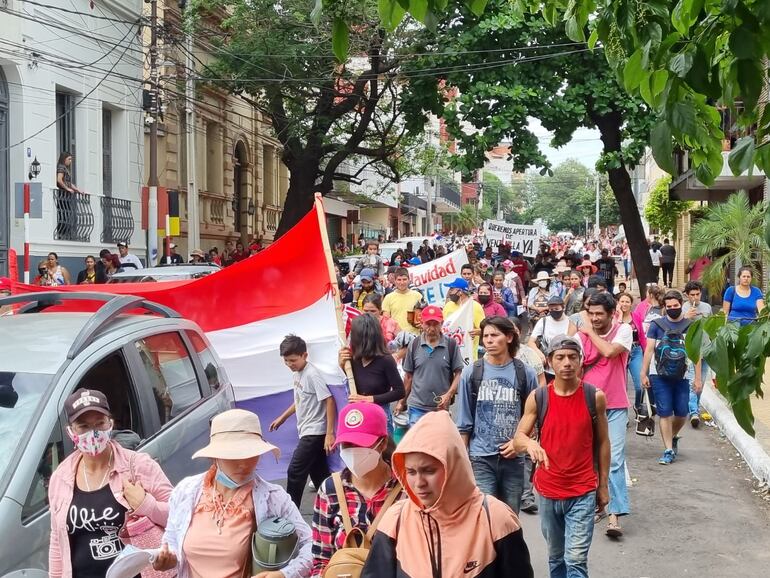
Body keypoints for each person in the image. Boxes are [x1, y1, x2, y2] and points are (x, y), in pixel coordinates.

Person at [361, 411, 535, 578]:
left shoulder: (496, 519)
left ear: (453, 467)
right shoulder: (395, 521)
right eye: (411, 472)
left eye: (429, 471)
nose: (419, 483)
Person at [153, 409, 312, 578]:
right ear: (215, 456)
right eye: (233, 455)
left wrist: (284, 574)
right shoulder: (186, 491)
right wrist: (167, 560)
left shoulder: (273, 497)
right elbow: (171, 540)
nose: (243, 463)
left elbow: (312, 545)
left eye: (251, 454)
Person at [48, 389, 173, 578]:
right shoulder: (61, 477)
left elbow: (179, 516)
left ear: (110, 424)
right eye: (83, 426)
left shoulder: (138, 466)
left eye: (100, 423)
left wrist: (146, 505)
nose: (94, 433)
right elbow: (57, 540)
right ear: (71, 431)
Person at [514, 335, 610, 578]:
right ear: (549, 362)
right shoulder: (539, 397)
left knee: (575, 560)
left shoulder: (594, 396)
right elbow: (518, 439)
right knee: (556, 558)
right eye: (560, 358)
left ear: (581, 361)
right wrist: (529, 445)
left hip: (583, 490)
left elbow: (603, 442)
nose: (567, 363)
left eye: (572, 357)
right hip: (548, 491)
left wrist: (604, 486)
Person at [456, 316, 538, 514]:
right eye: (486, 336)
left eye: (495, 335)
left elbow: (532, 418)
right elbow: (464, 422)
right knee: (485, 517)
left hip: (514, 459)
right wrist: (462, 459)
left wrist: (517, 444)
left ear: (509, 337)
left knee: (509, 520)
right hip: (481, 457)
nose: (489, 340)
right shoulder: (471, 373)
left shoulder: (525, 373)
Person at [311, 403, 404, 577]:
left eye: (361, 444)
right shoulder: (330, 490)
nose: (353, 452)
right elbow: (321, 560)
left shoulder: (406, 490)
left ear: (382, 443)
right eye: (346, 445)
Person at [576, 292, 632, 537]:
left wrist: (588, 332)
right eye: (591, 314)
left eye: (600, 314)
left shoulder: (624, 331)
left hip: (616, 405)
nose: (595, 318)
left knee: (615, 459)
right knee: (588, 458)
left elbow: (610, 352)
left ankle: (614, 515)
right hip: (586, 404)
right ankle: (593, 506)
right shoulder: (578, 337)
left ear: (612, 314)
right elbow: (572, 368)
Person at [271, 335, 338, 506]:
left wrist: (329, 434)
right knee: (320, 476)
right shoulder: (297, 374)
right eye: (286, 361)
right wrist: (283, 417)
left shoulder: (312, 374)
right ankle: (335, 507)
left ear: (304, 356)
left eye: (293, 360)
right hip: (306, 430)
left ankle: (290, 513)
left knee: (295, 471)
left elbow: (329, 400)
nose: (289, 364)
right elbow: (300, 399)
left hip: (314, 432)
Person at [641, 290, 703, 465]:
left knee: (682, 413)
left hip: (682, 375)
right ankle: (668, 449)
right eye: (669, 307)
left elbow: (696, 353)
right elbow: (649, 349)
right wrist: (643, 373)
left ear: (680, 305)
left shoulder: (691, 325)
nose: (673, 309)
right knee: (665, 412)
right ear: (664, 307)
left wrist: (698, 378)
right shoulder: (656, 325)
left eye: (675, 306)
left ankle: (673, 436)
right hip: (658, 375)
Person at [395, 305, 464, 427]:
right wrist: (401, 401)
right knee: (416, 443)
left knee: (438, 442)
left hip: (440, 408)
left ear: (441, 323)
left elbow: (458, 373)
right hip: (417, 406)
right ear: (421, 323)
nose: (431, 328)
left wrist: (448, 394)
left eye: (435, 324)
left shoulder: (451, 345)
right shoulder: (414, 344)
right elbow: (409, 377)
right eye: (428, 324)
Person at [338, 314, 405, 434]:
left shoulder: (385, 360)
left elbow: (399, 391)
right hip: (358, 416)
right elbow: (350, 388)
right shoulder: (353, 359)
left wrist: (369, 399)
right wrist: (342, 366)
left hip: (379, 415)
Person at [683, 280, 713, 427]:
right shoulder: (684, 308)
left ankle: (694, 407)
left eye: (697, 294)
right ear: (687, 296)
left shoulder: (707, 307)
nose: (695, 297)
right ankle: (694, 412)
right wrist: (687, 317)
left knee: (701, 381)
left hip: (706, 348)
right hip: (692, 351)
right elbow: (680, 326)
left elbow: (712, 326)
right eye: (692, 295)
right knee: (692, 382)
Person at [443, 277, 485, 359]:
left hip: (468, 357)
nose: (449, 292)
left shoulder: (475, 307)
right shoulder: (448, 306)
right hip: (449, 356)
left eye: (452, 289)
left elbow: (485, 329)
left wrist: (476, 332)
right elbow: (443, 326)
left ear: (460, 292)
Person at [617, 293, 644, 414]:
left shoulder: (636, 316)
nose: (624, 304)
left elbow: (642, 336)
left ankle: (638, 406)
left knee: (640, 386)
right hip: (619, 353)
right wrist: (620, 316)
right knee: (621, 387)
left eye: (627, 301)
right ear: (618, 303)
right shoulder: (614, 317)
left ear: (631, 304)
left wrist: (646, 351)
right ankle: (624, 415)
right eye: (622, 301)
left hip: (636, 350)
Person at [381, 267, 422, 335]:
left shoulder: (418, 296)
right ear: (395, 281)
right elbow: (386, 321)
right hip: (396, 337)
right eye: (399, 280)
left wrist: (421, 323)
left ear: (409, 280)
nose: (402, 282)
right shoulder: (388, 298)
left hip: (415, 337)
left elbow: (423, 316)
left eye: (404, 279)